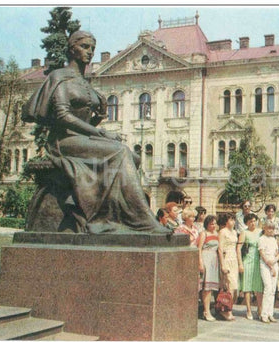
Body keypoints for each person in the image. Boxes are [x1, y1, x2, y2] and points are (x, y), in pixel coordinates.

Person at [22, 30, 170, 236]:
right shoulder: (60, 77)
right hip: (63, 142)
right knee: (119, 151)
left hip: (80, 140)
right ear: (72, 49)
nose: (90, 52)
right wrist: (100, 133)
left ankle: (113, 216)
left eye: (92, 48)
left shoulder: (84, 82)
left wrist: (99, 114)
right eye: (84, 47)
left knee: (132, 155)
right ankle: (143, 221)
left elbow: (84, 121)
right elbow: (63, 116)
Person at [237, 213, 263, 320]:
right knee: (247, 286)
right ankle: (248, 309)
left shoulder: (260, 232)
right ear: (247, 223)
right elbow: (238, 249)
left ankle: (260, 309)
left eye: (254, 221)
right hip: (248, 260)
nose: (253, 223)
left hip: (258, 261)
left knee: (259, 286)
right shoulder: (244, 233)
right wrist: (240, 264)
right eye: (250, 221)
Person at [218, 213, 240, 320]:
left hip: (234, 259)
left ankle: (228, 307)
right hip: (227, 259)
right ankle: (227, 311)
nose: (233, 222)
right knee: (229, 285)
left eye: (234, 220)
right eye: (231, 220)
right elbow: (220, 249)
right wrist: (223, 264)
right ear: (226, 221)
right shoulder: (222, 232)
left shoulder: (235, 232)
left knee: (235, 287)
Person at [198, 215, 220, 321]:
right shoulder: (204, 233)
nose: (213, 225)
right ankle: (206, 311)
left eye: (215, 223)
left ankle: (207, 310)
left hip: (214, 260)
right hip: (206, 258)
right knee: (206, 288)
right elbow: (199, 249)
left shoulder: (216, 234)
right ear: (207, 224)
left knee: (211, 287)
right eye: (211, 223)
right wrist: (200, 262)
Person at [258, 220, 279, 323]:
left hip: (274, 264)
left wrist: (274, 262)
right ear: (264, 228)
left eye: (272, 228)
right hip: (265, 264)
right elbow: (262, 253)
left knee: (273, 290)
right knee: (268, 287)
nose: (270, 230)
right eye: (269, 228)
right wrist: (270, 265)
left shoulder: (274, 239)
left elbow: (278, 253)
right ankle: (264, 314)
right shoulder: (262, 239)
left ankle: (270, 313)